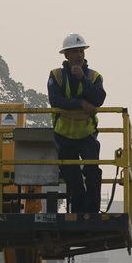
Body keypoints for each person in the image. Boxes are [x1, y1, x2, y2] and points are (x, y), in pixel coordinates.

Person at [47, 33, 106, 214]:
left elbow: (98, 98)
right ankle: (79, 212)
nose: (79, 55)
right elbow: (56, 101)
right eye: (74, 52)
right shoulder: (56, 76)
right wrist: (80, 103)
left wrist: (83, 79)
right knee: (71, 176)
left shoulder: (94, 77)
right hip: (64, 136)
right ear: (66, 55)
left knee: (92, 172)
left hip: (87, 135)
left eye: (81, 51)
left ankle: (92, 213)